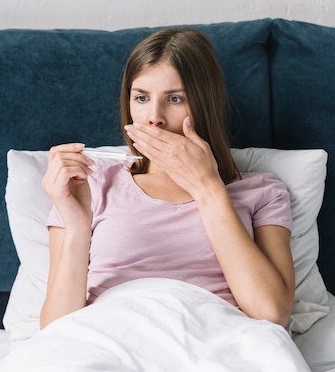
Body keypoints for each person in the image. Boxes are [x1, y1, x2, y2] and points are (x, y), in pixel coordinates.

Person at [40, 28, 295, 330]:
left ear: (205, 105)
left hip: (211, 340)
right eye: (142, 97)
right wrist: (77, 226)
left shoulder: (262, 192)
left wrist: (208, 188)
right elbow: (55, 331)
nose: (154, 117)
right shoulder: (88, 186)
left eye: (175, 99)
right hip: (111, 338)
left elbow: (272, 313)